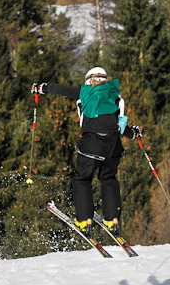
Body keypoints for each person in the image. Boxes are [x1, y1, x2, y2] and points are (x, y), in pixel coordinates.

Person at [32, 67, 142, 234]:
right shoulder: (117, 97)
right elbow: (121, 126)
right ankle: (112, 219)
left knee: (82, 179)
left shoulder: (83, 92)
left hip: (91, 144)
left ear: (88, 80)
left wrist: (40, 88)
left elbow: (60, 89)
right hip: (113, 146)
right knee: (109, 178)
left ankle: (84, 219)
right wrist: (133, 133)